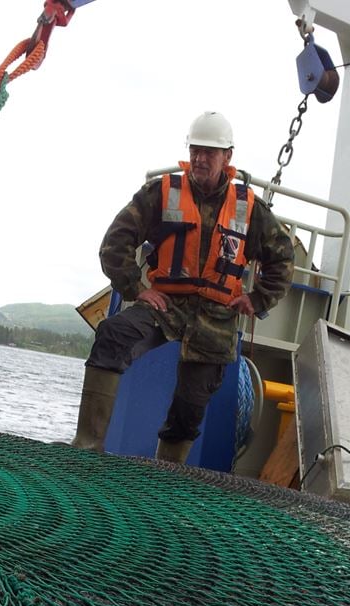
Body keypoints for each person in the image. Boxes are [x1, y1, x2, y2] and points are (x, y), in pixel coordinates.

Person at [71, 111, 295, 463]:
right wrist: (135, 287)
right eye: (195, 150)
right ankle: (85, 447)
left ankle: (166, 475)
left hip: (216, 317)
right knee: (114, 334)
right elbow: (116, 241)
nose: (200, 158)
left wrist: (258, 298)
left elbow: (282, 258)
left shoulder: (249, 208)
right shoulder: (162, 193)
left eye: (209, 152)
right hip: (166, 305)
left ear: (227, 157)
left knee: (190, 407)